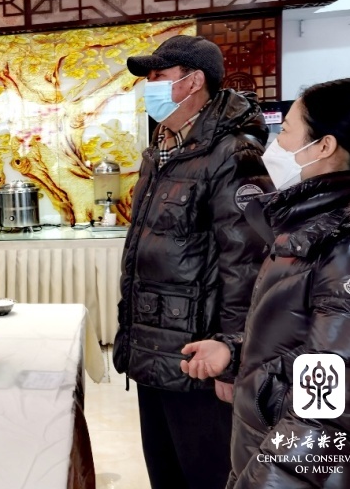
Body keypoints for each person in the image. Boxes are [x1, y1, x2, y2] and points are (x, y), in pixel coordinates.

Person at [180, 78, 350, 488]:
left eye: (287, 131)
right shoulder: (311, 227)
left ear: (324, 146)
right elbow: (312, 345)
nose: (275, 144)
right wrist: (237, 352)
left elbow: (326, 409)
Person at [114, 35, 274, 489]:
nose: (149, 87)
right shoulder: (162, 148)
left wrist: (233, 356)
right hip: (153, 348)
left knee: (206, 474)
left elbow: (247, 265)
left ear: (194, 81)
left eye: (158, 76)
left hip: (199, 358)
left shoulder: (232, 152)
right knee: (164, 472)